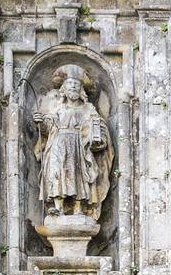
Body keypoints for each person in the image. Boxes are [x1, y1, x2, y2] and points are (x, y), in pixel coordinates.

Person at [33, 64, 113, 220]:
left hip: (78, 146)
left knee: (79, 175)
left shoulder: (88, 108)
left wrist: (95, 135)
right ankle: (58, 208)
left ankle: (78, 208)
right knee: (56, 173)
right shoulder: (57, 108)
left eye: (76, 85)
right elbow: (47, 128)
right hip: (58, 144)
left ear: (81, 90)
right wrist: (40, 122)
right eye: (70, 85)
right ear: (64, 89)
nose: (73, 88)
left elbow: (97, 126)